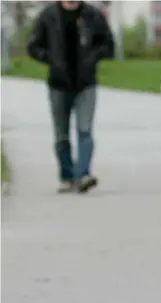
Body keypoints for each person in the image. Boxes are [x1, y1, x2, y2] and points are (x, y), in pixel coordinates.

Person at [27, 1, 114, 193]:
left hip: (85, 83)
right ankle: (67, 176)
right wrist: (50, 59)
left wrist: (93, 57)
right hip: (59, 83)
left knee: (85, 130)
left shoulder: (92, 15)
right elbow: (33, 46)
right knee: (61, 134)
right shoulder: (48, 16)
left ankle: (83, 175)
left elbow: (108, 44)